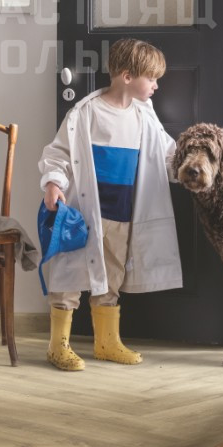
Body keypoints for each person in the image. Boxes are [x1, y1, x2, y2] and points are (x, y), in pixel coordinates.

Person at [38, 37, 181, 371]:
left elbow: (167, 153)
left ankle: (107, 342)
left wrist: (191, 167)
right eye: (151, 78)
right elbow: (60, 152)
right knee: (69, 274)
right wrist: (54, 183)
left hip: (121, 212)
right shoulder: (86, 112)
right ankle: (58, 345)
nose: (157, 86)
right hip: (81, 213)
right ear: (127, 77)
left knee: (112, 274)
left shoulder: (145, 116)